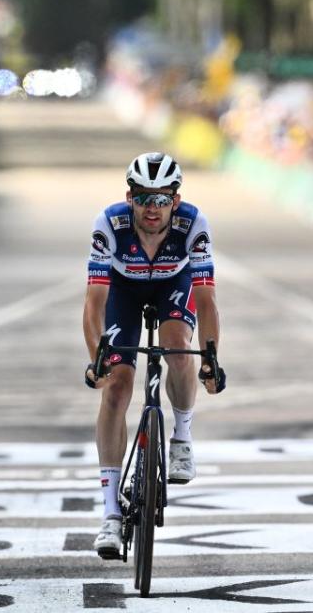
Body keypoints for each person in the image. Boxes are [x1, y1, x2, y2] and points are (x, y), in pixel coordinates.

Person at [83, 152, 226, 559]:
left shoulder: (193, 224)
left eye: (162, 199)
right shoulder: (109, 223)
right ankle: (110, 514)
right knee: (117, 386)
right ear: (130, 197)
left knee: (180, 347)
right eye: (144, 198)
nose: (152, 208)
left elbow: (206, 298)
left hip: (173, 285)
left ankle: (181, 435)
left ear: (175, 201)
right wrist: (99, 359)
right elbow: (94, 304)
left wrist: (212, 358)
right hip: (122, 293)